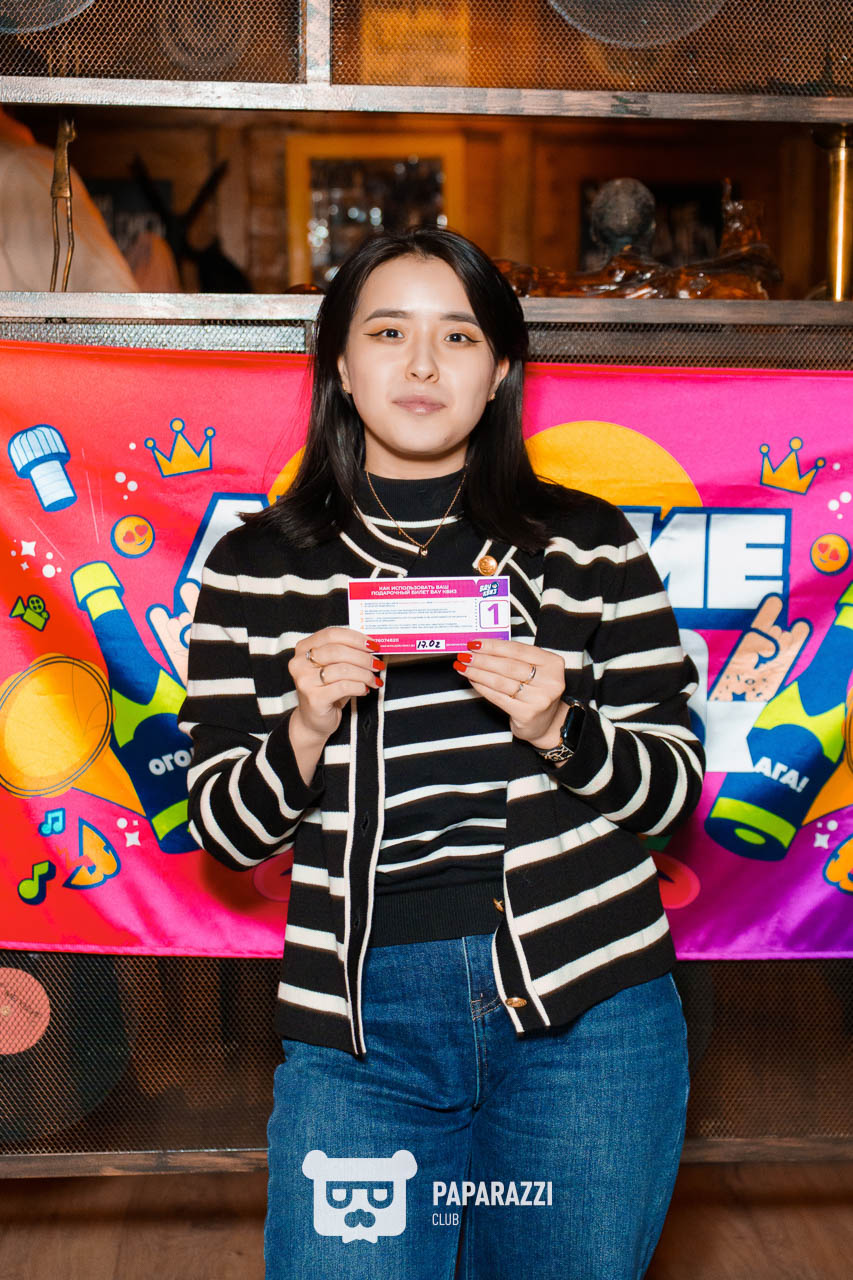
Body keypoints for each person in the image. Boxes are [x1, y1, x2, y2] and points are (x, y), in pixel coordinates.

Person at [179, 227, 705, 1280]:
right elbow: (226, 833)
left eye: (457, 336)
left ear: (500, 368)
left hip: (587, 1013)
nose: (421, 365)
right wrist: (304, 727)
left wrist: (564, 729)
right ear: (339, 362)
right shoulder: (255, 566)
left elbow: (671, 796)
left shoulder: (587, 544)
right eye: (387, 332)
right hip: (360, 1029)